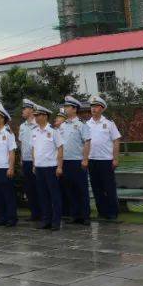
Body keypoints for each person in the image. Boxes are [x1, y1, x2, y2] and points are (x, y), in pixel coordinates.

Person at [86, 94, 121, 221]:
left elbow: (116, 140)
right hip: (92, 159)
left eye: (96, 106)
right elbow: (84, 142)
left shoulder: (109, 124)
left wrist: (115, 158)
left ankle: (113, 212)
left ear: (102, 108)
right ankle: (102, 211)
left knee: (109, 187)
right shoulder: (87, 124)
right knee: (96, 188)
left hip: (106, 160)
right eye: (92, 106)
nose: (93, 109)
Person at [60, 96, 92, 225]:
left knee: (81, 189)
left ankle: (85, 215)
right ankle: (75, 214)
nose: (65, 109)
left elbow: (87, 142)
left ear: (74, 109)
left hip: (78, 161)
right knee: (70, 189)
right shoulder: (62, 125)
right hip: (66, 161)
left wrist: (85, 159)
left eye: (67, 107)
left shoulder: (81, 124)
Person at [31, 105, 63, 230]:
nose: (36, 117)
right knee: (43, 195)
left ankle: (56, 221)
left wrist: (59, 167)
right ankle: (46, 220)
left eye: (38, 115)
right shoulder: (34, 131)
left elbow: (60, 148)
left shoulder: (53, 131)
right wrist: (34, 164)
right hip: (39, 167)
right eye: (35, 115)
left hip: (51, 167)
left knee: (54, 195)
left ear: (44, 116)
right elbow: (34, 148)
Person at [19, 100, 41, 222]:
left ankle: (43, 212)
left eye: (25, 108)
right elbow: (22, 143)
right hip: (26, 160)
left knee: (39, 188)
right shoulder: (22, 126)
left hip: (37, 161)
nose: (22, 111)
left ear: (31, 110)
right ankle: (34, 213)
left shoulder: (37, 125)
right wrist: (22, 158)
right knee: (29, 188)